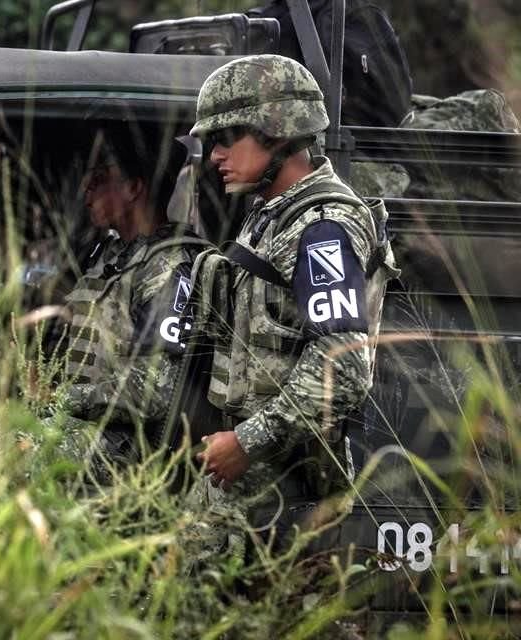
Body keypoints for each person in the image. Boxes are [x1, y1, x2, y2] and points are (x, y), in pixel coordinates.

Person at [181, 54, 399, 562]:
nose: (214, 155)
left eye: (227, 138)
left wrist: (246, 442)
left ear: (277, 132)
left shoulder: (322, 226)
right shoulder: (270, 214)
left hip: (284, 488)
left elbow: (343, 370)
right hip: (250, 481)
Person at [45, 129, 207, 485]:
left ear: (134, 188)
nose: (86, 190)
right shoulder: (114, 254)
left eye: (100, 179)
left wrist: (63, 398)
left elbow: (158, 389)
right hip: (93, 426)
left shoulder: (168, 265)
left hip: (133, 447)